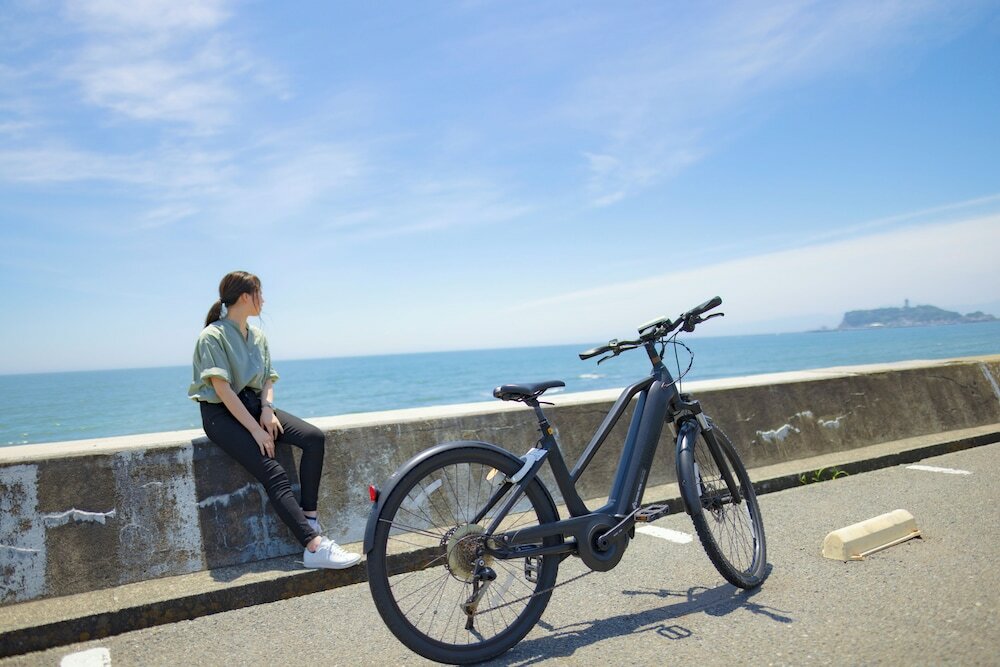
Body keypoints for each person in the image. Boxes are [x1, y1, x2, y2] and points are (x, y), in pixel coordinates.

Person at [188, 271, 360, 569]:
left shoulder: (257, 336)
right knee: (273, 471)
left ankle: (309, 519)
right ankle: (314, 546)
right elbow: (222, 389)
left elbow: (268, 379)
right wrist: (256, 431)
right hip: (221, 415)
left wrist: (267, 409)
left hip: (254, 406)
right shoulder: (212, 336)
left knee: (313, 438)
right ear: (246, 296)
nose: (264, 300)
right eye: (260, 293)